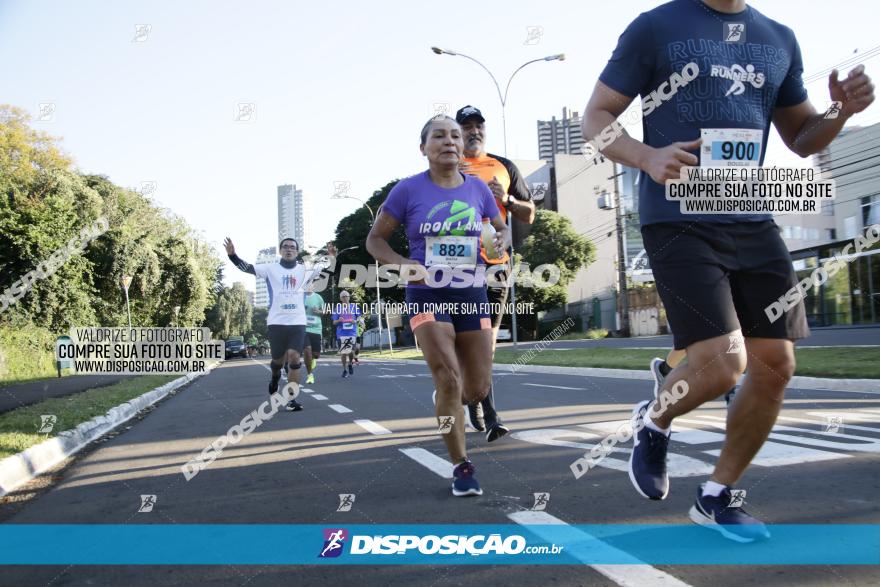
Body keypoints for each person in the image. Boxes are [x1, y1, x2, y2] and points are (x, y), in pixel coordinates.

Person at [583, 0, 874, 541]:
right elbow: (595, 117)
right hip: (677, 216)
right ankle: (655, 417)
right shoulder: (656, 26)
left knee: (775, 366)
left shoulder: (779, 37)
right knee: (722, 365)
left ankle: (717, 495)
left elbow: (801, 137)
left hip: (749, 213)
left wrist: (841, 113)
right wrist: (647, 156)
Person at [366, 114, 509, 496]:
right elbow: (374, 241)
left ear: (462, 146)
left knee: (476, 389)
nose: (449, 141)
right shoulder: (407, 191)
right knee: (448, 376)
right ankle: (461, 465)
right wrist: (403, 264)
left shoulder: (479, 189)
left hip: (471, 291)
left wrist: (500, 240)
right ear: (424, 148)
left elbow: (500, 228)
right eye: (439, 136)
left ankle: (449, 397)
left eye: (455, 136)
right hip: (427, 292)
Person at [457, 105, 536, 442]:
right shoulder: (448, 167)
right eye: (466, 127)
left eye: (478, 126)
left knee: (486, 342)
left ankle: (480, 404)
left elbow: (529, 213)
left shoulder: (504, 166)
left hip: (495, 258)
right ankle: (485, 410)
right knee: (468, 341)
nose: (473, 131)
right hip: (458, 263)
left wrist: (506, 199)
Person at [224, 237, 336, 411]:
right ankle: (275, 378)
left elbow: (326, 267)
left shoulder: (304, 270)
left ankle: (291, 399)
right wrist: (233, 256)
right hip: (276, 322)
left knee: (293, 358)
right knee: (277, 361)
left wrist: (331, 257)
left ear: (297, 252)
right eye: (285, 247)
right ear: (280, 250)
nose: (289, 249)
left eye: (292, 247)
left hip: (298, 322)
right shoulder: (270, 269)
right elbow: (248, 268)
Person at [332, 291, 360, 378]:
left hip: (352, 332)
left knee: (351, 351)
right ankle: (344, 369)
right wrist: (338, 320)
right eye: (343, 296)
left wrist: (354, 321)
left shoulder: (354, 307)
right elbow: (334, 322)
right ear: (340, 298)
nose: (345, 298)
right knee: (344, 353)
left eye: (346, 296)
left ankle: (350, 364)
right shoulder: (337, 309)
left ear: (349, 297)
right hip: (341, 333)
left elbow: (359, 319)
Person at [303, 282, 324, 385]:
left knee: (316, 355)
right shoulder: (300, 297)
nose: (308, 287)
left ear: (313, 287)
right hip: (304, 329)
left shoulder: (318, 297)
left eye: (310, 285)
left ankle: (314, 360)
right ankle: (310, 375)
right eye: (306, 285)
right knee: (307, 351)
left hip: (316, 329)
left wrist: (318, 311)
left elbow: (325, 311)